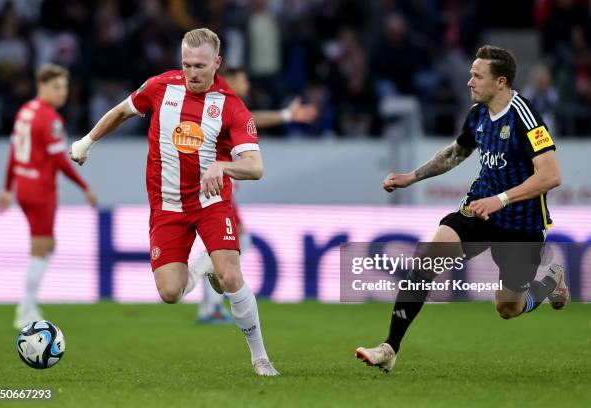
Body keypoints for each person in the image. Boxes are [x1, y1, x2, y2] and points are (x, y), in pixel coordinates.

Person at [70, 28, 279, 376]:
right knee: (170, 292)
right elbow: (122, 111)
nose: (192, 73)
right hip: (166, 206)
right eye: (186, 64)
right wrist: (87, 140)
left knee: (231, 275)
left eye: (200, 66)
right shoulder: (159, 87)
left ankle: (260, 357)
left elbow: (256, 167)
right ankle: (203, 266)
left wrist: (223, 165)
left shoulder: (231, 106)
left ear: (217, 63)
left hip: (211, 203)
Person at [355, 45, 569, 373]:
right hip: (478, 210)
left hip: (521, 223)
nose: (469, 81)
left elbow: (551, 175)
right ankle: (390, 346)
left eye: (476, 75)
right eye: (470, 74)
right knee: (428, 258)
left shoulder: (525, 116)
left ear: (500, 82)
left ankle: (550, 282)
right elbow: (455, 153)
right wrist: (411, 177)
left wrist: (501, 199)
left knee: (508, 307)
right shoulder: (478, 115)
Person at [193, 67, 318, 324]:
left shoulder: (227, 104)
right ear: (231, 79)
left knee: (238, 242)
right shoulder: (219, 101)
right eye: (244, 78)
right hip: (216, 183)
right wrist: (285, 115)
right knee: (234, 242)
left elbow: (250, 119)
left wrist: (285, 115)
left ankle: (211, 302)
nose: (247, 83)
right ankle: (209, 301)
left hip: (221, 183)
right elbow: (253, 119)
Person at [0, 63, 97, 330]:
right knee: (41, 249)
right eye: (57, 87)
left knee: (46, 246)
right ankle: (26, 309)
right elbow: (61, 162)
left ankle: (28, 305)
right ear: (42, 87)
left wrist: (7, 188)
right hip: (41, 191)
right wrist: (85, 187)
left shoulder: (25, 112)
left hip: (23, 188)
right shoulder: (51, 119)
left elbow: (13, 154)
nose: (62, 93)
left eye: (64, 87)